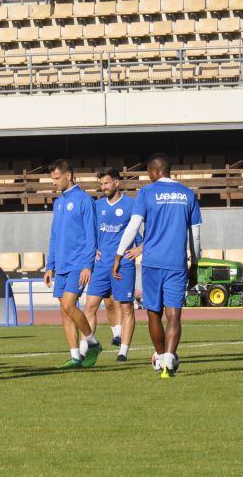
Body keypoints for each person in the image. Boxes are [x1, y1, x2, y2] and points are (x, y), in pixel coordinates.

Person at [114, 153, 201, 379]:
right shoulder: (188, 194)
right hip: (176, 263)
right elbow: (195, 235)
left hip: (152, 262)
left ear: (154, 171)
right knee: (174, 315)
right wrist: (195, 263)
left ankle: (162, 357)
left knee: (154, 314)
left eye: (149, 173)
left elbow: (133, 227)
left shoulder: (146, 192)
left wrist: (119, 254)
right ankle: (169, 360)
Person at [42, 159, 102, 369]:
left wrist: (87, 265)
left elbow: (92, 235)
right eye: (52, 179)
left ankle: (92, 343)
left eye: (56, 178)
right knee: (65, 310)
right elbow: (54, 236)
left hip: (78, 264)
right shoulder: (58, 203)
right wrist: (50, 266)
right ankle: (75, 356)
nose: (54, 182)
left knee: (69, 304)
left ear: (68, 176)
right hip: (61, 265)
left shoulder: (85, 200)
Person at [90, 167, 139, 362]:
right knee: (91, 305)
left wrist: (139, 249)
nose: (103, 187)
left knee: (126, 307)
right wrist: (93, 248)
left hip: (124, 264)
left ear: (117, 183)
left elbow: (151, 229)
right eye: (101, 184)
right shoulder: (97, 206)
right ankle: (86, 347)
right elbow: (89, 231)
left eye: (106, 183)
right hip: (101, 265)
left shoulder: (132, 204)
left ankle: (123, 352)